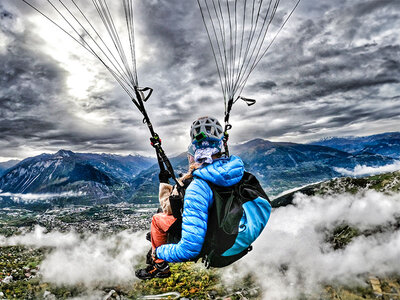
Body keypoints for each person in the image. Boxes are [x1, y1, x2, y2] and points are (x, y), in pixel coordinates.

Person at [135, 116, 245, 280]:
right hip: (220, 222)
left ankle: (159, 266)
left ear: (196, 155)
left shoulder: (195, 185)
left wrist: (158, 251)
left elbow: (169, 209)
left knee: (157, 218)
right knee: (162, 217)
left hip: (204, 234)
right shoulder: (231, 172)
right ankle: (158, 240)